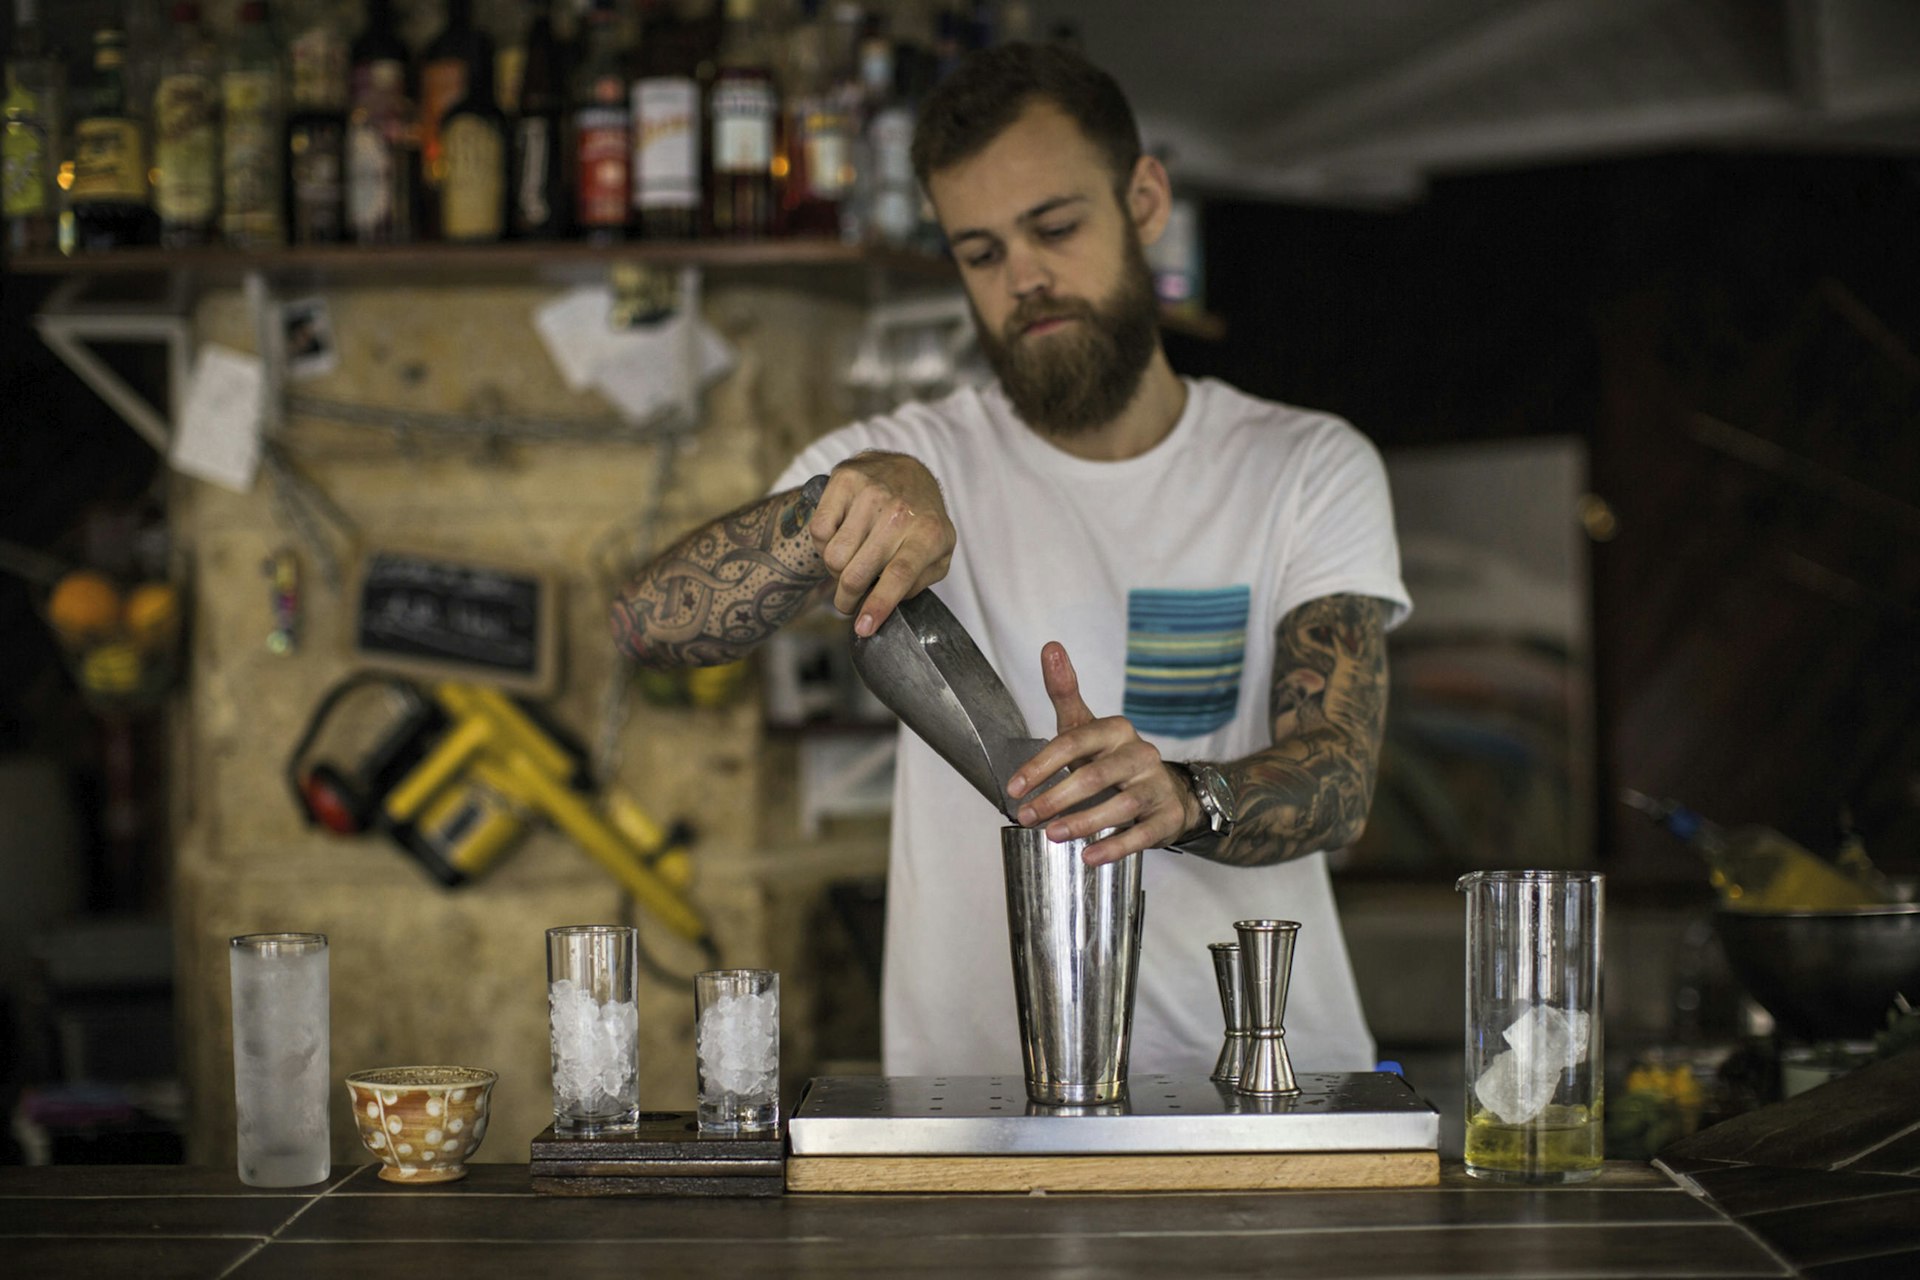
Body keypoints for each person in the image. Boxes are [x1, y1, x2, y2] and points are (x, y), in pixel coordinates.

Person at [611, 43, 1410, 1078]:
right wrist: (841, 502)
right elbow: (648, 623)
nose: (1024, 278)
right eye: (980, 252)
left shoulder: (1305, 464)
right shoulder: (919, 456)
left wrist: (1181, 796)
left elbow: (1340, 778)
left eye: (1056, 228)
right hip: (977, 1102)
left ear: (1147, 200)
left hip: (1266, 1087)